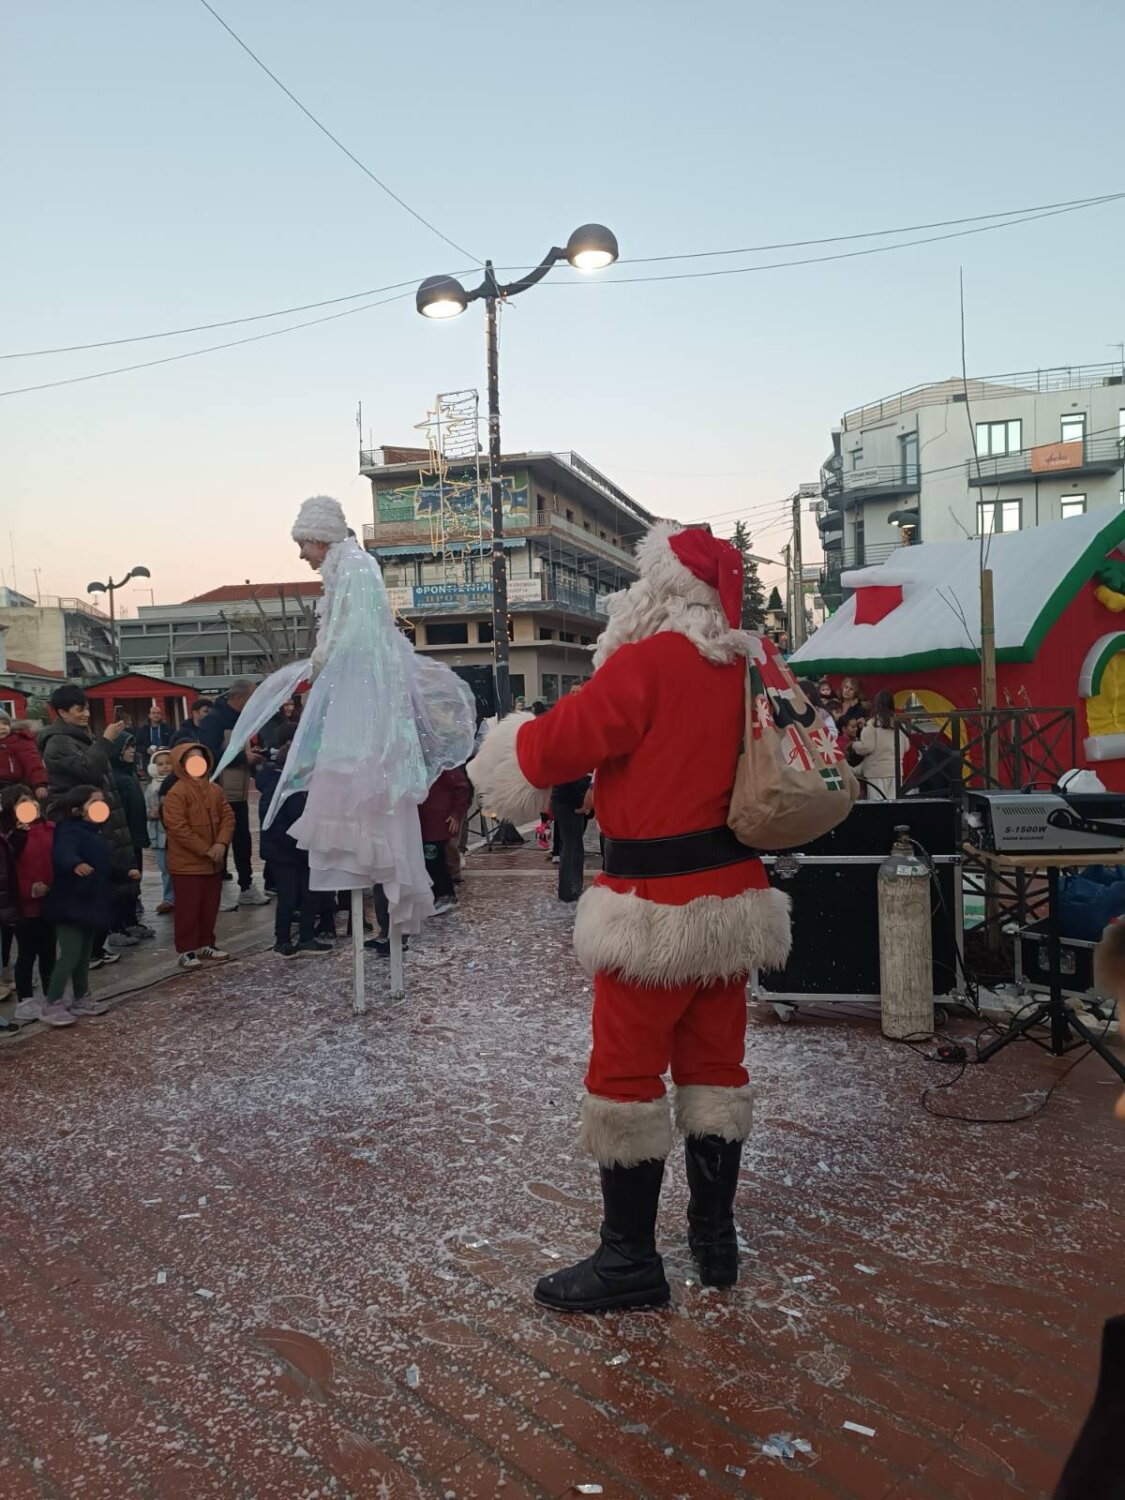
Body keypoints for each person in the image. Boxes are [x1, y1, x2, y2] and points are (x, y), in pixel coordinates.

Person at [470, 522, 791, 1314]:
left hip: (653, 910)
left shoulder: (646, 663)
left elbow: (547, 754)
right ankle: (714, 1242)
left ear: (662, 589)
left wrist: (508, 739)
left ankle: (628, 1260)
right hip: (733, 899)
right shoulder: (754, 666)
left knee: (625, 1077)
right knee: (715, 1071)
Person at [212, 495, 475, 945]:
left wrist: (326, 657)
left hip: (363, 696)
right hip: (355, 691)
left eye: (303, 544)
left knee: (367, 790)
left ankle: (385, 904)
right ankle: (369, 893)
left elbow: (359, 630)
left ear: (318, 537)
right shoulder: (345, 568)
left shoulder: (355, 566)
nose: (302, 555)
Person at [38, 686, 139, 968]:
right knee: (86, 888)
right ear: (61, 712)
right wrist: (106, 741)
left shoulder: (81, 736)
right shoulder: (58, 742)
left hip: (99, 820)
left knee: (103, 886)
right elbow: (89, 770)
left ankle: (96, 947)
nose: (85, 714)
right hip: (78, 826)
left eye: (86, 708)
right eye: (78, 709)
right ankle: (85, 953)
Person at [41, 784, 117, 1023]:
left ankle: (81, 996)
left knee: (84, 956)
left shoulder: (96, 833)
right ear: (77, 809)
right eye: (94, 802)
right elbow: (63, 852)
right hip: (69, 904)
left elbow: (104, 865)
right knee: (70, 954)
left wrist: (125, 872)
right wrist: (75, 863)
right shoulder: (68, 829)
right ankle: (52, 1002)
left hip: (89, 902)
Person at [254, 730, 332, 958]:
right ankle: (283, 940)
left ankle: (307, 937)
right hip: (283, 852)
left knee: (309, 895)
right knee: (288, 898)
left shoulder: (305, 786)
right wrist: (295, 840)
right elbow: (272, 822)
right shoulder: (277, 787)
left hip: (304, 850)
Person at [197, 679, 270, 911]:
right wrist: (242, 758)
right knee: (221, 840)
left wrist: (251, 755)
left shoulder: (241, 719)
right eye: (252, 697)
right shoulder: (214, 720)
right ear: (239, 698)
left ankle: (246, 886)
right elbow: (207, 754)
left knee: (242, 840)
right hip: (220, 791)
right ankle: (215, 891)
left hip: (239, 790)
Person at [161, 743, 233, 971]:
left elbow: (228, 817)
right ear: (181, 763)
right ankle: (186, 950)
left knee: (210, 906)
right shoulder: (176, 793)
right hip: (187, 864)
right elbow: (178, 828)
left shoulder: (215, 790)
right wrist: (206, 849)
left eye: (200, 756)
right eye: (191, 757)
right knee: (188, 908)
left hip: (213, 863)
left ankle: (206, 943)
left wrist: (221, 843)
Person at [0, 785, 56, 1023]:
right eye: (23, 801)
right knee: (27, 953)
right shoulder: (10, 838)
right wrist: (29, 891)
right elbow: (8, 875)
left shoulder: (49, 829)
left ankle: (52, 996)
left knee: (49, 952)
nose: (30, 805)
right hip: (25, 908)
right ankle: (26, 1001)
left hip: (50, 903)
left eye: (31, 799)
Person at [109, 736, 153, 938]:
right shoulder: (114, 777)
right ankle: (118, 926)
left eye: (133, 747)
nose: (132, 751)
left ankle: (131, 921)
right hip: (121, 839)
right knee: (121, 883)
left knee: (134, 882)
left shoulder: (130, 774)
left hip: (134, 838)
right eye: (127, 747)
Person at [418, 767, 471, 915]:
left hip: (436, 823)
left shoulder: (441, 766)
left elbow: (461, 787)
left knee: (434, 859)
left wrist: (456, 814)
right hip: (427, 822)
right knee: (432, 859)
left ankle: (445, 894)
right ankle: (441, 894)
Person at [852, 690, 904, 801]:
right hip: (895, 770)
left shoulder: (872, 723)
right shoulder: (899, 723)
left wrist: (854, 745)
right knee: (894, 804)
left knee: (878, 804)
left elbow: (867, 747)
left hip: (876, 771)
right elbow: (906, 746)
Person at [146, 748, 175, 913]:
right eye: (160, 764)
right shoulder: (151, 788)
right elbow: (145, 809)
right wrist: (151, 814)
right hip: (158, 835)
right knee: (165, 869)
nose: (165, 767)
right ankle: (169, 898)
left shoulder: (177, 784)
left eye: (168, 763)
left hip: (174, 833)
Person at [0, 711, 48, 799]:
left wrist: (39, 784)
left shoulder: (19, 741)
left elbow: (33, 763)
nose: (2, 727)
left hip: (15, 785)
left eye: (5, 723)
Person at [134, 704, 172, 772]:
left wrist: (167, 747)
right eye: (153, 713)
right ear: (149, 715)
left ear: (161, 715)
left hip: (165, 760)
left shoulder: (168, 728)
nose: (156, 715)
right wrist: (146, 750)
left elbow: (173, 742)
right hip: (148, 760)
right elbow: (136, 745)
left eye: (158, 713)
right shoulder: (143, 730)